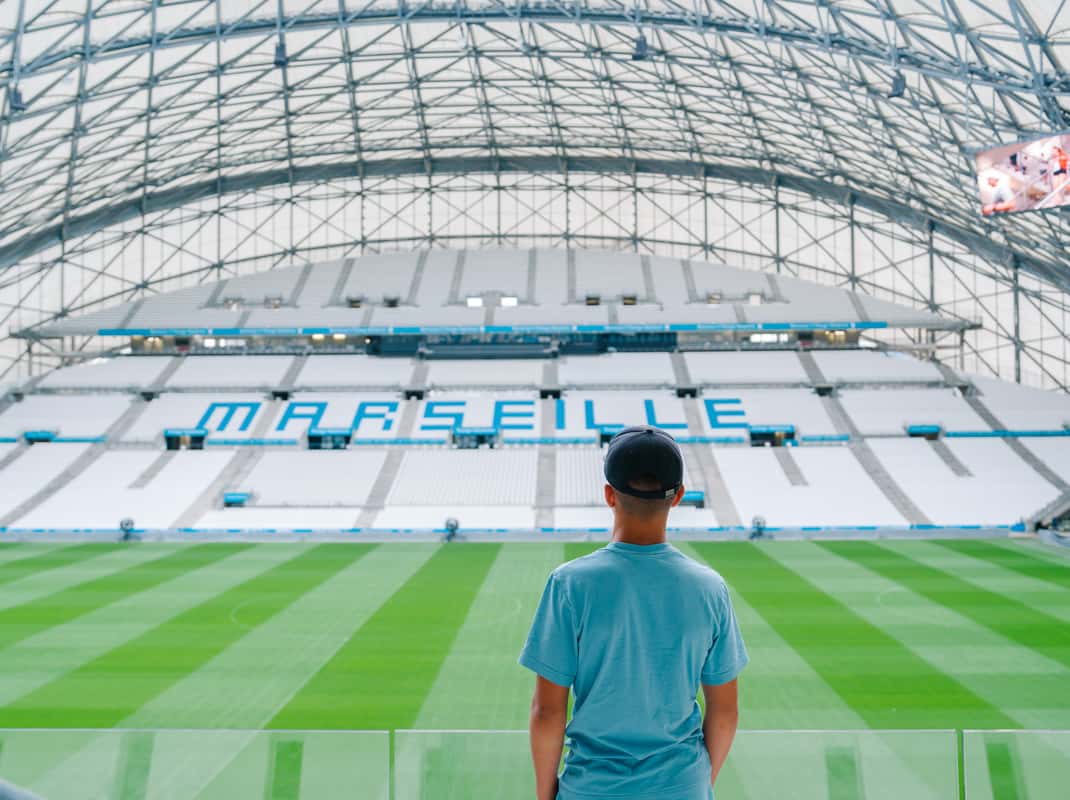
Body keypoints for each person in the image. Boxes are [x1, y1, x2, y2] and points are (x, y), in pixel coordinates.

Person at [519, 426, 748, 800]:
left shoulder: (569, 584)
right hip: (683, 787)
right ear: (678, 498)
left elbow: (547, 712)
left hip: (591, 789)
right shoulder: (710, 589)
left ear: (609, 494)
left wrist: (546, 796)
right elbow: (725, 713)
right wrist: (697, 784)